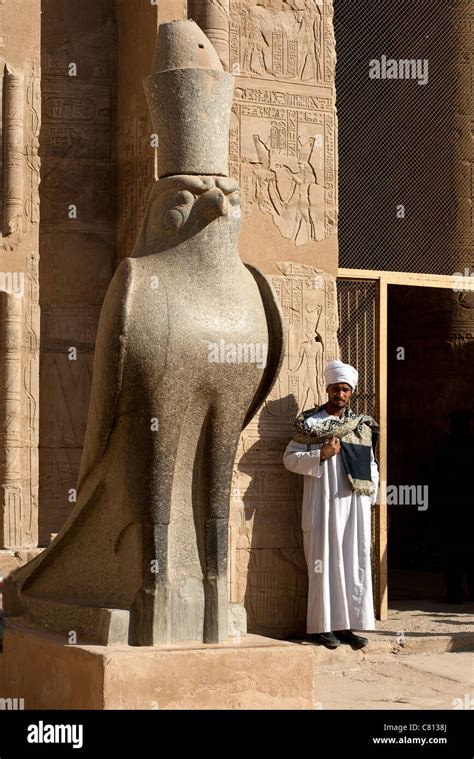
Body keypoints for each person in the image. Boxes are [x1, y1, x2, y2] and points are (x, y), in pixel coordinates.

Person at [283, 360, 379, 649]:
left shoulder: (361, 425)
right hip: (323, 506)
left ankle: (347, 626)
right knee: (324, 564)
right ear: (327, 389)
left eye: (346, 389)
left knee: (353, 562)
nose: (341, 393)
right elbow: (289, 459)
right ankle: (323, 627)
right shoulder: (309, 424)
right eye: (336, 388)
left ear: (351, 393)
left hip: (355, 506)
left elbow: (372, 465)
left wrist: (369, 496)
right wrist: (320, 455)